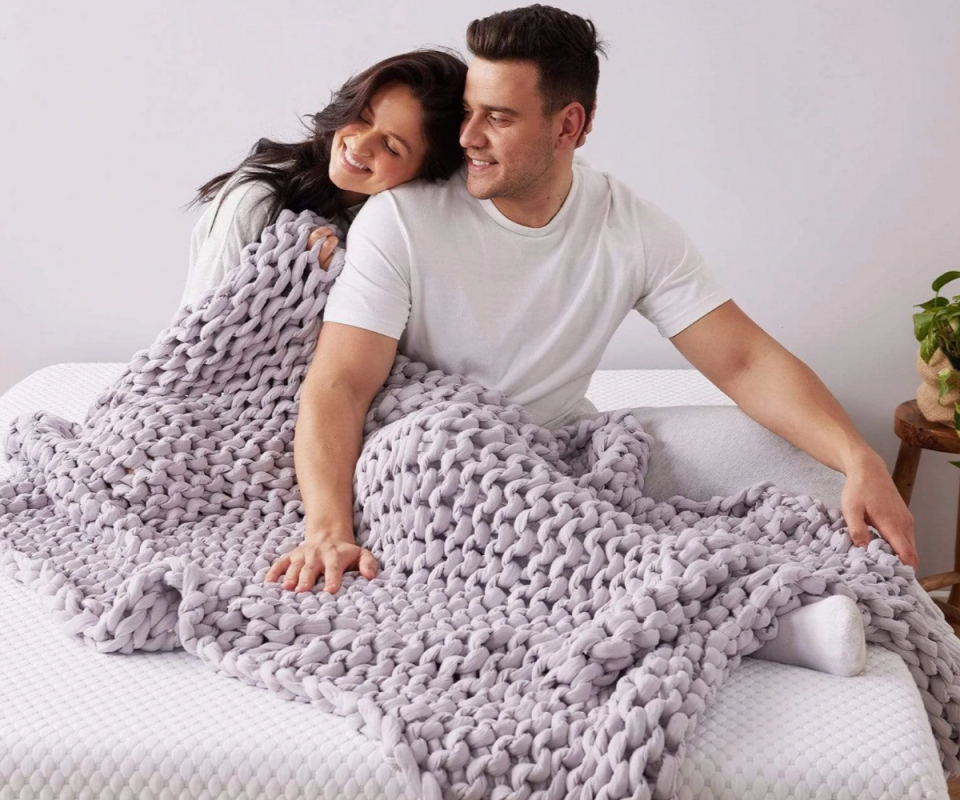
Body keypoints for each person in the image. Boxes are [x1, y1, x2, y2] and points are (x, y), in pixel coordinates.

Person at [263, 5, 917, 678]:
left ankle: (689, 582)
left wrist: (857, 455)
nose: (469, 137)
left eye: (499, 117)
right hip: (428, 463)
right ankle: (768, 619)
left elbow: (744, 360)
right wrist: (327, 529)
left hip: (554, 460)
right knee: (432, 450)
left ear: (569, 124)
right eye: (468, 111)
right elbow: (341, 383)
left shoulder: (629, 228)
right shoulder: (401, 219)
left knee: (794, 471)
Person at [180, 49, 470, 308]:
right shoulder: (259, 198)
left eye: (391, 147)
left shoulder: (405, 228)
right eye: (363, 118)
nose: (359, 144)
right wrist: (295, 275)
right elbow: (198, 337)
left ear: (426, 172)